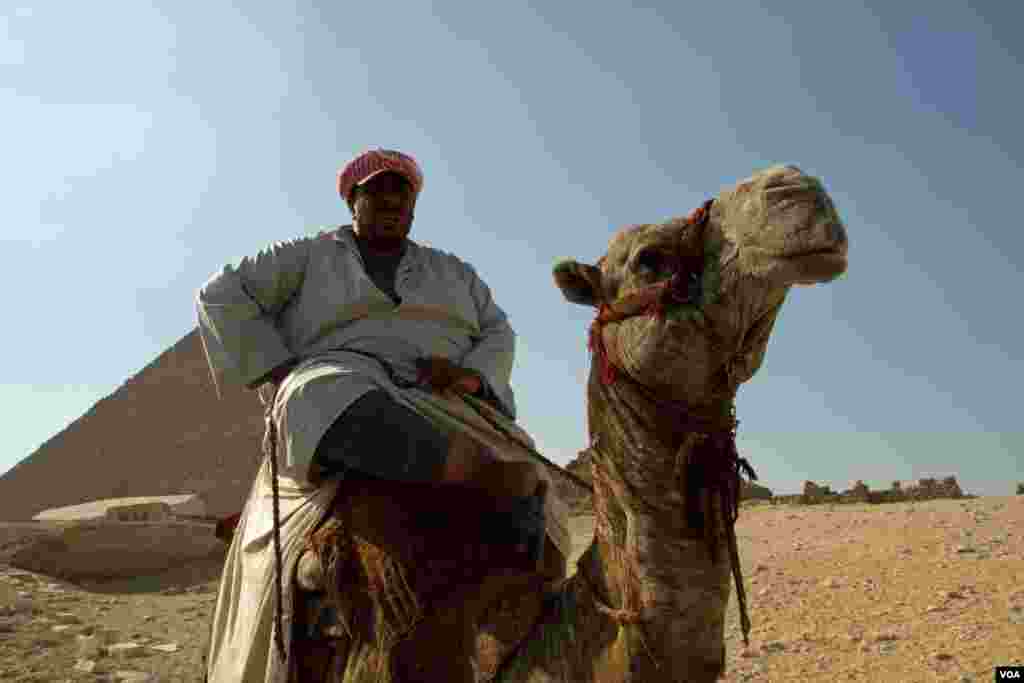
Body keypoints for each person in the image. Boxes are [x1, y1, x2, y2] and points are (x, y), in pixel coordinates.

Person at [199, 149, 571, 682]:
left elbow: (498, 331)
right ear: (353, 201)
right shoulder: (306, 257)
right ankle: (470, 471)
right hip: (344, 381)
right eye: (375, 191)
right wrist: (279, 369)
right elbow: (219, 294)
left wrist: (470, 376)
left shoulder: (453, 272)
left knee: (538, 481)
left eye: (401, 192)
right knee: (312, 395)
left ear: (414, 206)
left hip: (441, 392)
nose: (389, 201)